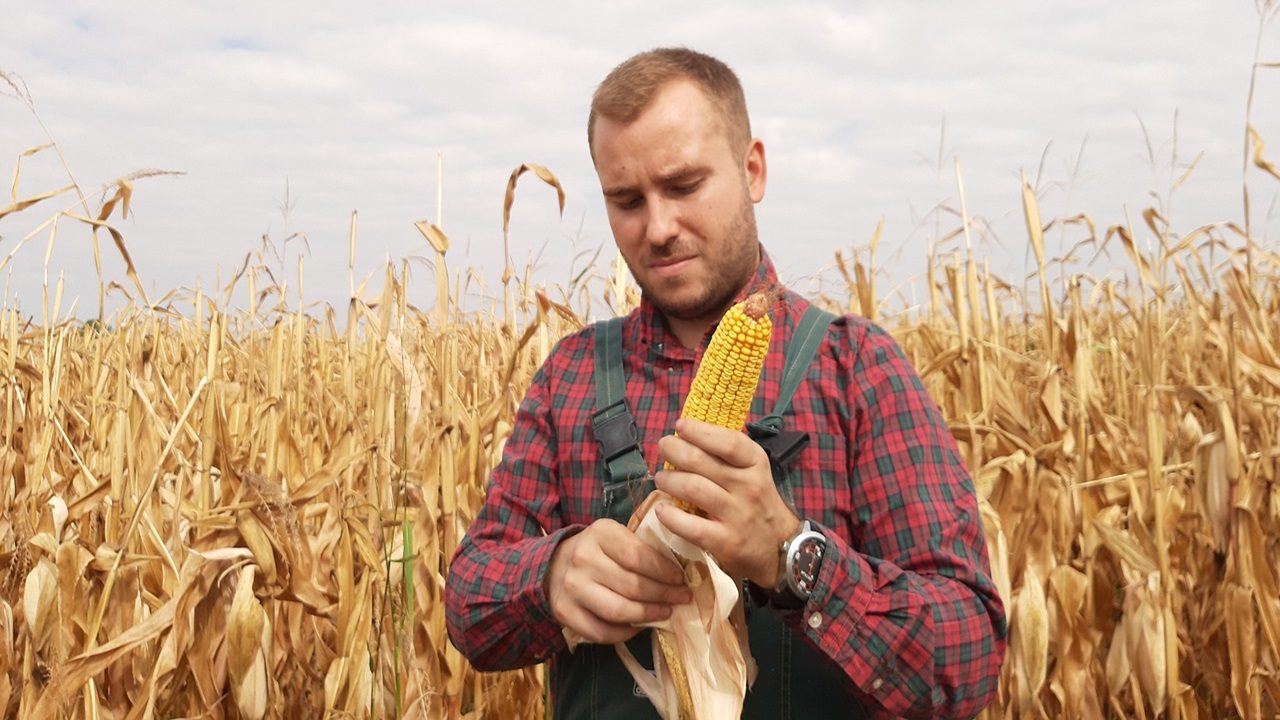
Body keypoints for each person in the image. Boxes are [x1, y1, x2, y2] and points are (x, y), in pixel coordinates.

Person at [446, 47, 1007, 719]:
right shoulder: (571, 375)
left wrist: (792, 556)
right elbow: (469, 604)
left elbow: (967, 659)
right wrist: (553, 574)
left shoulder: (856, 368)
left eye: (683, 186)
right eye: (626, 201)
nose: (657, 228)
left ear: (752, 170)